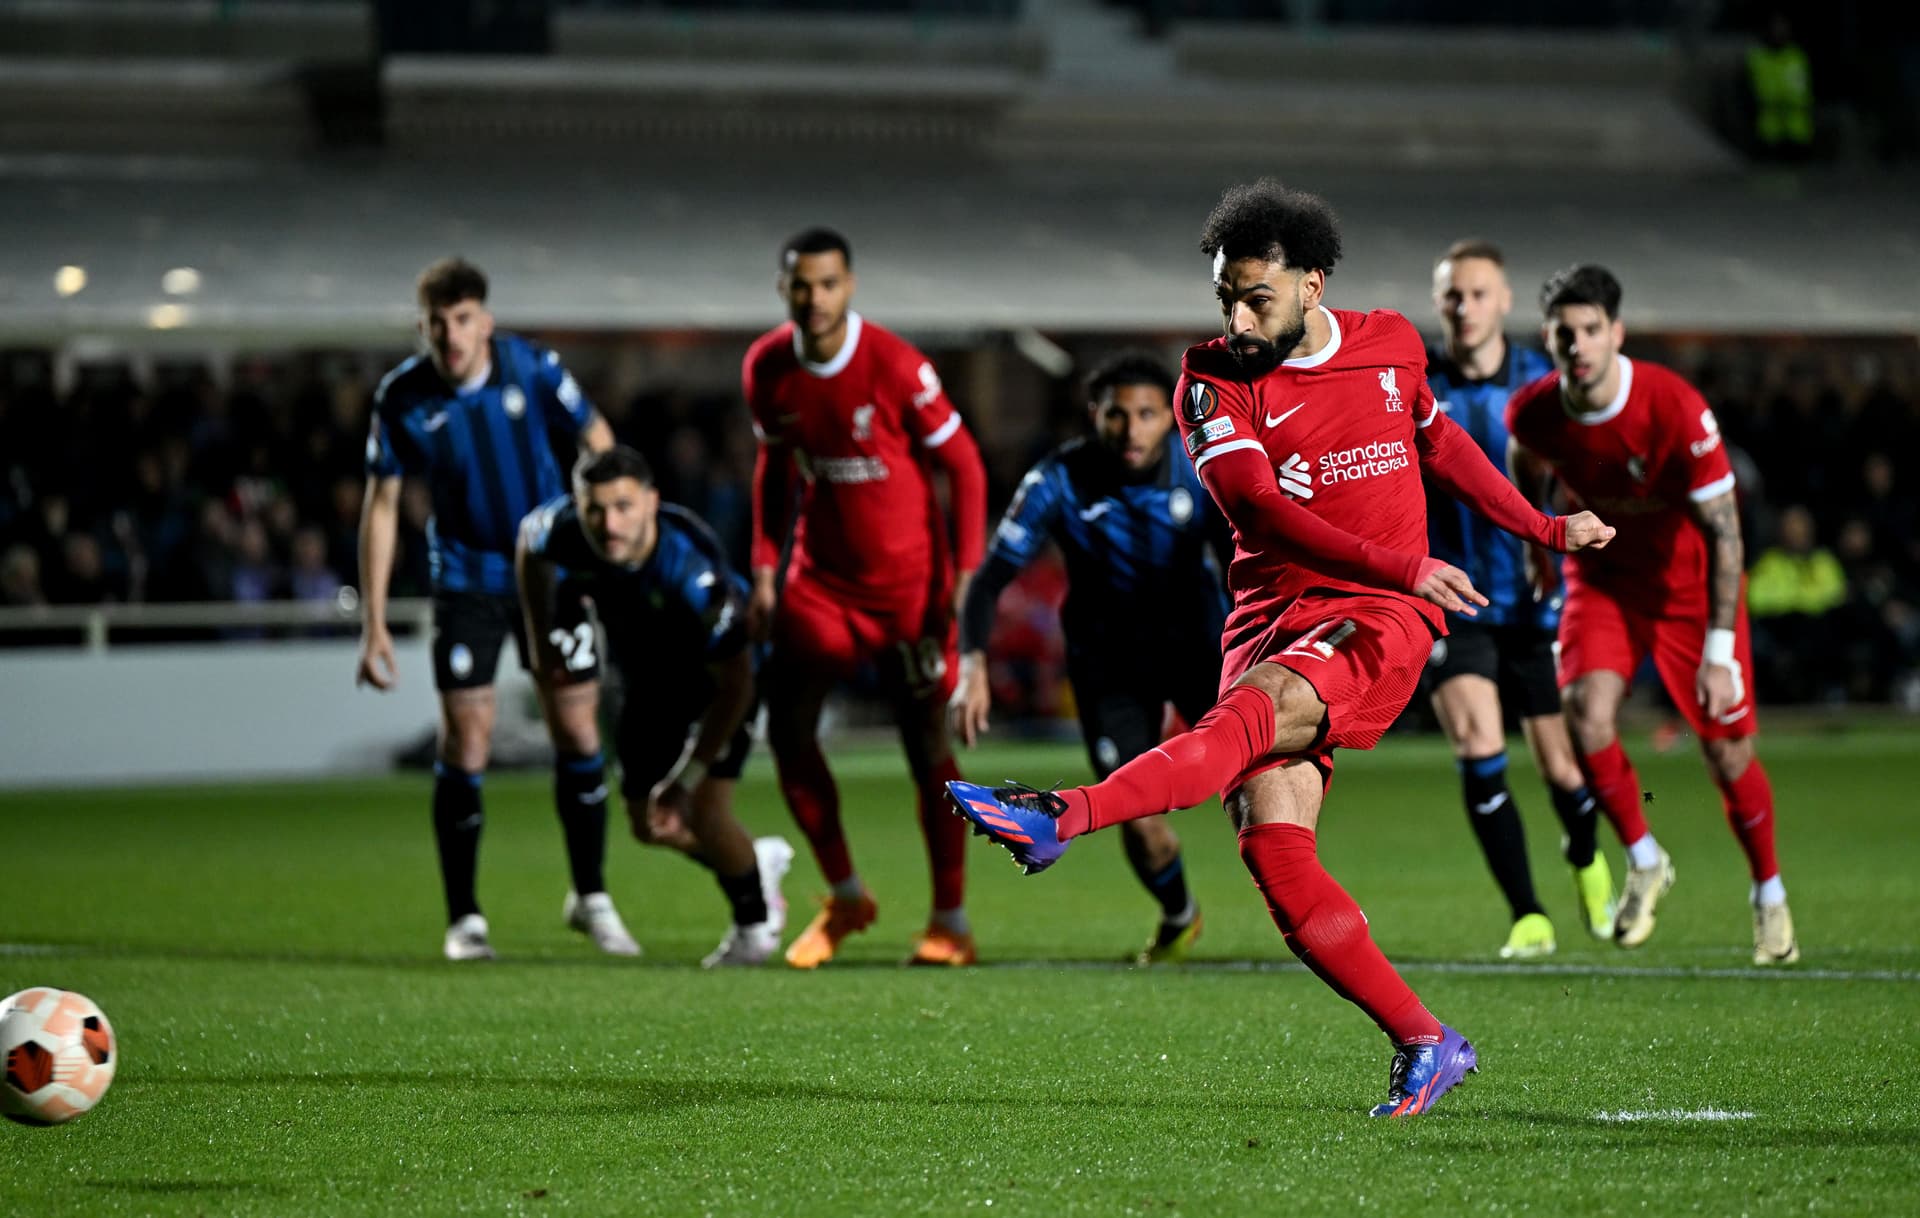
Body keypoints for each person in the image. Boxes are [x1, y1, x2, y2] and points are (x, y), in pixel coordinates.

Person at [949, 180, 1612, 1117]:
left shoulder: (1388, 345)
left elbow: (1446, 445)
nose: (1236, 315)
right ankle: (1426, 1039)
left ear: (1313, 283)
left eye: (1255, 295)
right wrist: (1408, 559)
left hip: (1379, 616)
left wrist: (1538, 531)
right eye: (1224, 294)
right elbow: (1262, 510)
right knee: (1274, 852)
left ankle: (1063, 815)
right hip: (1270, 615)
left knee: (1244, 719)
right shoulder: (1210, 382)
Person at [1506, 264, 1797, 966]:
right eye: (1564, 333)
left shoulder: (1674, 408)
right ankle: (1643, 857)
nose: (1577, 345)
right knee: (1584, 713)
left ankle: (1769, 895)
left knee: (1727, 753)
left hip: (1688, 592)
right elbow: (1523, 455)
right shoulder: (1536, 410)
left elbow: (1727, 533)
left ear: (1617, 334)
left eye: (1590, 330)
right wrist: (1538, 541)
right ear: (1548, 337)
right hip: (1602, 580)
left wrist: (1721, 652)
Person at [357, 257, 631, 962]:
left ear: (486, 320)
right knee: (467, 740)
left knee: (576, 726)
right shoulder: (402, 397)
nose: (452, 335)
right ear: (424, 326)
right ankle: (465, 919)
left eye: (464, 319)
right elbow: (382, 506)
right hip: (468, 580)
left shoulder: (532, 368)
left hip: (551, 571)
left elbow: (598, 440)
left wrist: (604, 532)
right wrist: (375, 620)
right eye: (439, 323)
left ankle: (591, 896)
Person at [743, 227, 990, 968]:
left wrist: (964, 578)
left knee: (927, 747)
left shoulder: (893, 364)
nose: (813, 298)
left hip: (911, 590)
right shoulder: (766, 367)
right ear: (782, 287)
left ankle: (950, 920)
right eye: (799, 285)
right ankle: (846, 895)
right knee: (787, 732)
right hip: (819, 584)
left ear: (849, 286)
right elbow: (775, 468)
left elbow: (967, 467)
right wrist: (762, 564)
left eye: (826, 284)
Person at [950, 351, 1227, 964]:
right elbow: (992, 578)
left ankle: (1308, 913)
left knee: (1257, 787)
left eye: (1148, 415)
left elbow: (1245, 561)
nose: (1132, 430)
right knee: (1137, 816)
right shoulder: (1058, 480)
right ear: (1094, 415)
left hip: (1198, 650)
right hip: (1110, 665)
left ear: (1170, 417)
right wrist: (971, 666)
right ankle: (1180, 915)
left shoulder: (1201, 470)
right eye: (1117, 415)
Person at [517, 446, 794, 966]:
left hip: (726, 676)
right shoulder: (563, 530)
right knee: (650, 825)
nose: (609, 523)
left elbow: (736, 682)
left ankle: (755, 926)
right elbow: (529, 547)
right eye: (595, 509)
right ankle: (753, 863)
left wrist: (689, 774)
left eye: (623, 507)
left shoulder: (690, 571)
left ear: (651, 503)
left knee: (703, 811)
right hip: (650, 679)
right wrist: (539, 639)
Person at [1421, 240, 1613, 960]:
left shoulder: (1545, 379)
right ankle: (1528, 914)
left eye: (1477, 293)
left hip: (1538, 598)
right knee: (1478, 743)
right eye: (1451, 295)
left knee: (1563, 767)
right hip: (1453, 597)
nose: (1464, 307)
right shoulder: (1411, 386)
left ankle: (1586, 855)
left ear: (1504, 301)